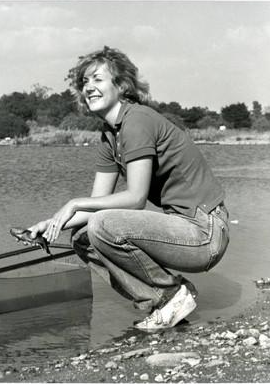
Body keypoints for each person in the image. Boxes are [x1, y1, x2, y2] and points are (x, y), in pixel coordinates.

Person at [23, 46, 229, 332]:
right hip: (182, 227)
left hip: (205, 233)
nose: (89, 88)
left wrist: (72, 203)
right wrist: (51, 224)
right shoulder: (110, 135)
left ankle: (170, 294)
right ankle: (164, 301)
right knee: (82, 236)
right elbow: (98, 202)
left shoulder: (137, 121)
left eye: (98, 80)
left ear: (121, 85)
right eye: (84, 82)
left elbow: (135, 200)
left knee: (102, 223)